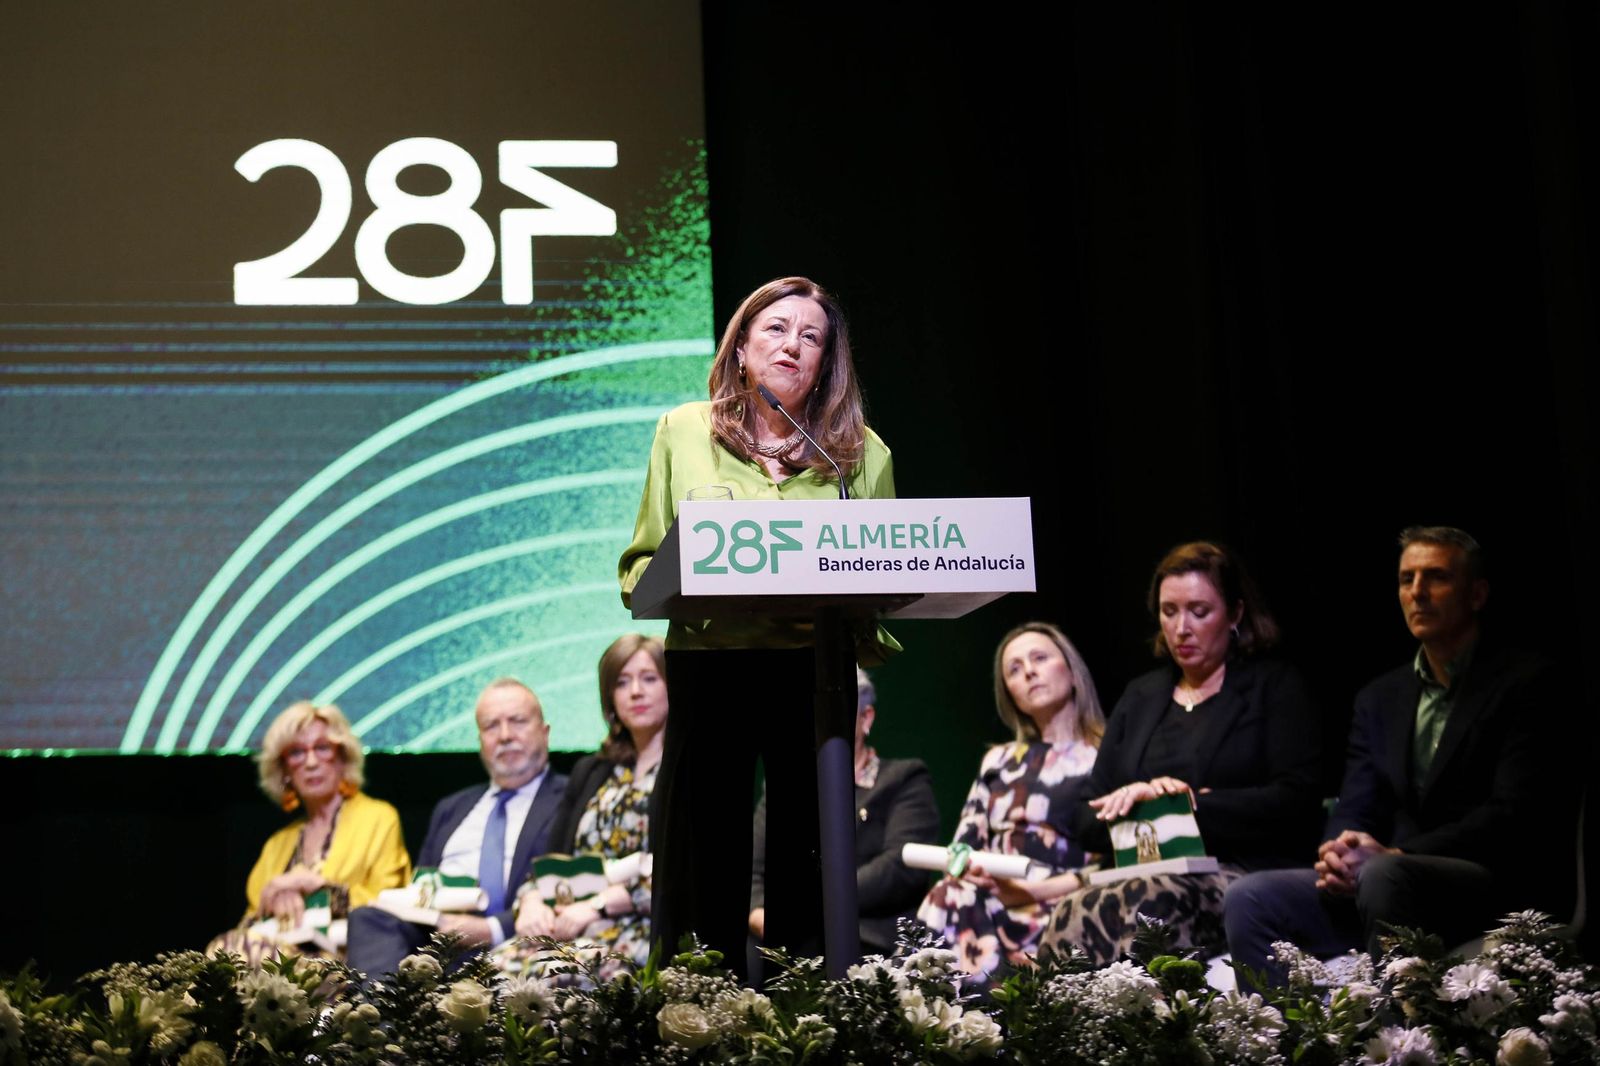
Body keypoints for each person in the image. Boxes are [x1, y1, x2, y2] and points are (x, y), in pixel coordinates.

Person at [618, 276, 896, 974]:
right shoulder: (684, 430)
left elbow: (887, 574)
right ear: (741, 347)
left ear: (826, 363)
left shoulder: (860, 455)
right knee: (702, 849)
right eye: (775, 329)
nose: (792, 346)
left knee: (809, 849)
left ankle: (808, 1007)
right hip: (712, 663)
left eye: (811, 337)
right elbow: (642, 562)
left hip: (813, 669)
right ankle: (697, 1008)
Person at [1224, 527, 1567, 987]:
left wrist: (1398, 853)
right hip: (1386, 883)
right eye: (1407, 579)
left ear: (1477, 594)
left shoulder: (1526, 682)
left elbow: (1514, 813)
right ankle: (1280, 1045)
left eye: (1436, 577)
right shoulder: (1380, 698)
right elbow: (1358, 801)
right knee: (1250, 896)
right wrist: (1338, 852)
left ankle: (1399, 1044)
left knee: (1383, 874)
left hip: (1487, 883)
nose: (1418, 593)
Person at [1038, 542, 1322, 964]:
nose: (1181, 628)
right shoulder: (1141, 697)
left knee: (1143, 904)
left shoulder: (1274, 688)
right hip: (1141, 871)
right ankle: (1072, 1030)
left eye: (1199, 611)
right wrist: (1139, 795)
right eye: (1169, 612)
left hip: (1242, 870)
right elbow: (1085, 817)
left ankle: (1149, 1027)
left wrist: (1186, 805)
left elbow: (1297, 800)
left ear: (1236, 614)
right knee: (1072, 908)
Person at [917, 623, 1105, 985]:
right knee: (950, 892)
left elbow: (1113, 865)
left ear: (1072, 670)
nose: (1029, 672)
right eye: (1014, 669)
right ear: (1010, 694)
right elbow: (961, 848)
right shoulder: (998, 761)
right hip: (992, 897)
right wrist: (971, 871)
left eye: (1039, 658)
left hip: (1065, 902)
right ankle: (937, 1025)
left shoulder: (1105, 756)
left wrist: (1030, 892)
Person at [345, 678, 567, 976]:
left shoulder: (572, 797)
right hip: (438, 941)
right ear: (480, 742)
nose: (504, 736)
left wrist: (491, 928)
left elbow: (571, 887)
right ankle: (382, 1019)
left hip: (518, 941)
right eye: (491, 726)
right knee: (367, 918)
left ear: (545, 732)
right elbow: (421, 889)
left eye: (517, 721)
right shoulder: (452, 808)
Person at [499, 635, 668, 978]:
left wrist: (598, 906)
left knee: (553, 978)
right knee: (491, 973)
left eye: (649, 678)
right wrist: (531, 900)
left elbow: (684, 872)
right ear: (610, 698)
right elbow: (554, 863)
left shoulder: (688, 770)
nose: (635, 691)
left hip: (643, 928)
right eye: (621, 682)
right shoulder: (593, 770)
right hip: (571, 922)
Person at [749, 667, 940, 959]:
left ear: (867, 718)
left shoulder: (904, 778)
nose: (822, 720)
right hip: (789, 936)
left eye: (836, 708)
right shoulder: (789, 790)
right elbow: (755, 870)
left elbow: (899, 867)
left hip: (870, 935)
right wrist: (759, 912)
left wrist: (808, 906)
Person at [209, 701, 410, 964]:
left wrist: (318, 886)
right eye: (296, 753)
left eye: (323, 748)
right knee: (222, 953)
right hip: (275, 969)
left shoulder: (379, 818)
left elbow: (391, 906)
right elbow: (248, 929)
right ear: (284, 771)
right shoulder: (277, 843)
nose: (311, 762)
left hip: (350, 962)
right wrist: (274, 900)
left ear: (342, 757)